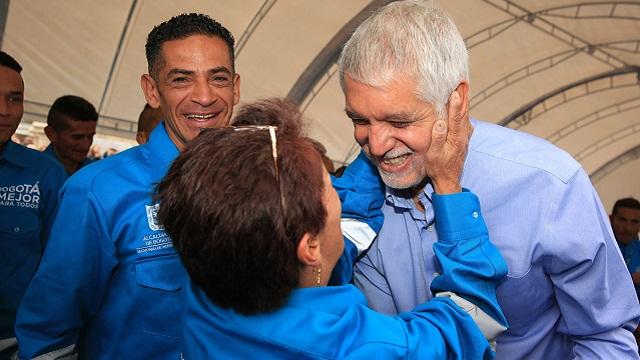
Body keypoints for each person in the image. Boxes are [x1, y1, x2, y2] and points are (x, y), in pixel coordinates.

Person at [338, 1, 640, 358]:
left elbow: (603, 338)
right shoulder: (357, 202)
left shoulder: (549, 186)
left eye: (399, 122)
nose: (376, 144)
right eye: (360, 120)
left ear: (456, 101)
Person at [157, 98, 508, 359]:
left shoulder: (211, 265)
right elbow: (471, 320)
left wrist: (376, 140)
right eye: (329, 185)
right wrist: (448, 186)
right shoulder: (359, 349)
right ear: (309, 247)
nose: (339, 193)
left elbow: (349, 221)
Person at [15, 13, 240, 359]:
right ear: (152, 90)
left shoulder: (260, 182)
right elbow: (49, 334)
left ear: (236, 87)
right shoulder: (99, 191)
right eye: (182, 79)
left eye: (218, 78)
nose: (205, 96)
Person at [0, 51, 66, 359]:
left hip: (15, 340)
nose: (5, 111)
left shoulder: (44, 174)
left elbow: (58, 266)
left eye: (15, 99)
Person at [43, 95, 98, 175]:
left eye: (90, 137)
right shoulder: (32, 172)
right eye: (77, 137)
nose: (85, 145)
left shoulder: (95, 172)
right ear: (51, 134)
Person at [611, 197, 640, 295]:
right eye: (622, 220)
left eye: (634, 222)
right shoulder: (600, 249)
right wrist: (631, 280)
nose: (628, 228)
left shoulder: (638, 248)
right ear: (611, 219)